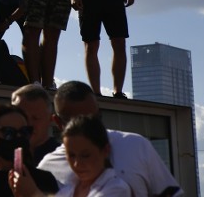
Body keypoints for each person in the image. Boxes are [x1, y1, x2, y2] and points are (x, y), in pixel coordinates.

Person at [38, 81, 181, 197]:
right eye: (77, 124)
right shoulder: (48, 167)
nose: (87, 130)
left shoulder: (136, 145)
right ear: (57, 122)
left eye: (94, 119)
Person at [55, 114, 131, 196]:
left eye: (85, 155)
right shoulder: (67, 189)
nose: (76, 164)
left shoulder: (117, 189)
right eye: (71, 155)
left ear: (105, 150)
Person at [11, 83, 59, 164]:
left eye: (36, 118)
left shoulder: (62, 159)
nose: (29, 123)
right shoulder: (1, 157)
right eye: (23, 117)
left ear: (50, 119)